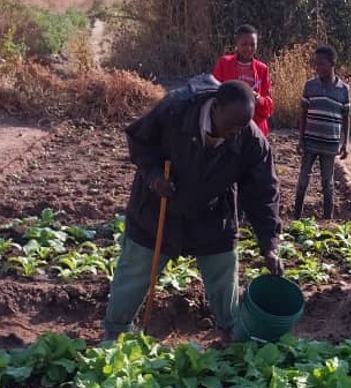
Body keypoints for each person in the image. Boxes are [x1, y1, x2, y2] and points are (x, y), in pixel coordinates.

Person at [102, 78, 283, 344]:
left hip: (211, 214)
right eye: (232, 125)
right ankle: (115, 332)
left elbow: (263, 192)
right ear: (216, 108)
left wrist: (269, 243)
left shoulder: (251, 139)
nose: (236, 132)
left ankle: (229, 331)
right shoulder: (175, 110)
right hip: (157, 207)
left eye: (243, 126)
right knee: (134, 272)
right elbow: (141, 142)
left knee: (224, 274)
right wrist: (153, 177)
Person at [295, 45, 351, 219]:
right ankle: (296, 216)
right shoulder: (310, 86)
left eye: (322, 64)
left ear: (332, 64)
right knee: (303, 181)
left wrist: (345, 143)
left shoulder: (343, 90)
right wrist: (301, 139)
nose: (318, 68)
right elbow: (303, 114)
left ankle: (328, 219)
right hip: (310, 141)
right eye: (316, 64)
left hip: (330, 143)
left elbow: (346, 118)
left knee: (328, 183)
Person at [212, 24, 274, 136]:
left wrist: (258, 99)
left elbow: (269, 106)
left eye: (252, 44)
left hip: (255, 129)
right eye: (244, 44)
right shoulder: (224, 63)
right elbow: (214, 92)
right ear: (237, 44)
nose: (249, 48)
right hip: (229, 126)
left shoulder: (262, 69)